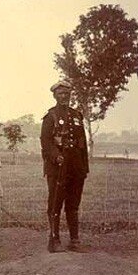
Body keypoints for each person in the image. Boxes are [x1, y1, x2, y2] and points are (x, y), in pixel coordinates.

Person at [40, 80, 89, 253]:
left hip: (76, 168)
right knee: (55, 204)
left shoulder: (77, 116)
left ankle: (74, 240)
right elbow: (45, 142)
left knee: (73, 204)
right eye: (60, 94)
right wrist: (56, 156)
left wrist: (84, 168)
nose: (64, 96)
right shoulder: (50, 116)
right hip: (58, 168)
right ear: (54, 95)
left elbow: (82, 143)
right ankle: (54, 240)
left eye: (67, 94)